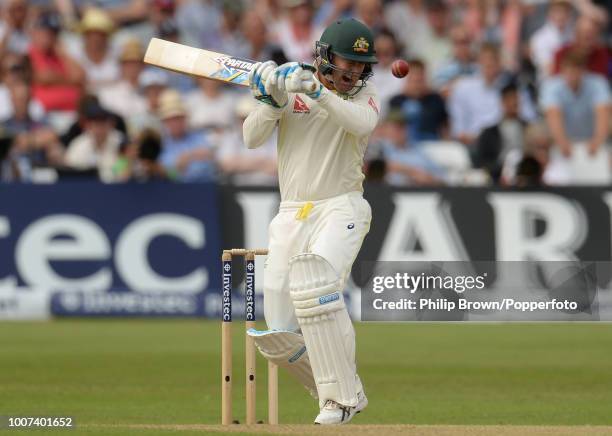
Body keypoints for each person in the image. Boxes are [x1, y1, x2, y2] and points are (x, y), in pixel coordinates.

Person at [243, 18, 379, 425]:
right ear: (324, 55)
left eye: (361, 63)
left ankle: (340, 401)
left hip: (341, 206)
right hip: (291, 212)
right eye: (347, 60)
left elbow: (362, 124)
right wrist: (271, 101)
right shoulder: (292, 86)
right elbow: (251, 138)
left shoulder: (364, 96)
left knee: (317, 287)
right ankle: (342, 392)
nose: (354, 70)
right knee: (278, 335)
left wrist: (317, 91)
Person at [540, 50, 610, 157]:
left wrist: (597, 141)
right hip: (563, 139)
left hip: (592, 137)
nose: (573, 75)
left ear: (584, 70)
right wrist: (562, 142)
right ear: (563, 69)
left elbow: (603, 113)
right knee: (537, 133)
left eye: (576, 70)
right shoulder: (551, 86)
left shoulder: (598, 83)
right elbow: (553, 115)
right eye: (569, 70)